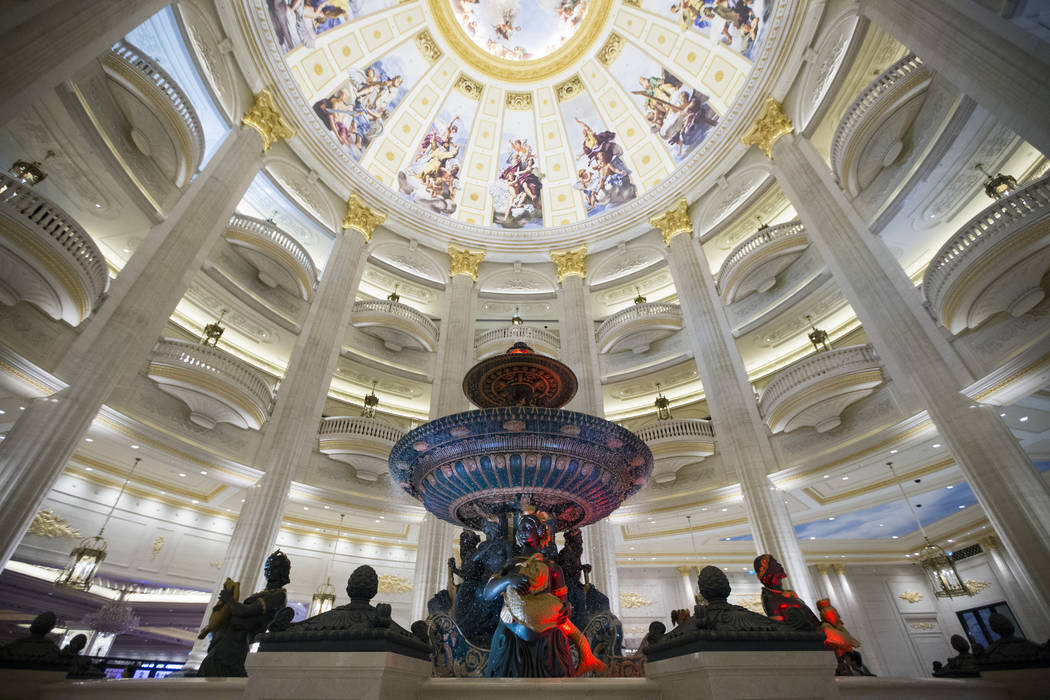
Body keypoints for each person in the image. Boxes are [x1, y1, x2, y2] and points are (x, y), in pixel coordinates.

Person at [483, 513, 579, 676]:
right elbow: (488, 593)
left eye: (528, 528)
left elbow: (563, 603)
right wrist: (507, 580)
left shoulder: (552, 567)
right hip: (511, 635)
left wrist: (566, 609)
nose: (522, 532)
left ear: (539, 531)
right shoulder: (510, 564)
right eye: (520, 528)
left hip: (548, 641)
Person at [197, 550, 291, 677]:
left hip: (235, 643)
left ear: (282, 571)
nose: (270, 570)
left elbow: (244, 611)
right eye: (269, 566)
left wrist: (229, 599)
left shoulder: (278, 595)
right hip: (226, 639)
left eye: (275, 567)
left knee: (216, 674)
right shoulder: (263, 593)